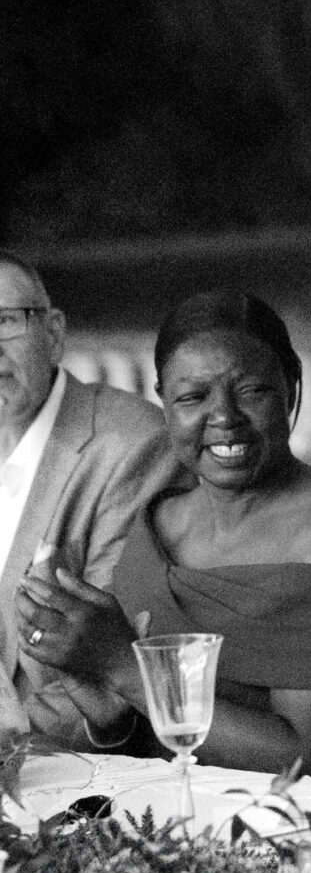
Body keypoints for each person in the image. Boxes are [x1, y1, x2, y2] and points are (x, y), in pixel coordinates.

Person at [18, 291, 311, 775]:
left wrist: (124, 668)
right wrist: (102, 706)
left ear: (292, 388)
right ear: (165, 402)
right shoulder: (158, 521)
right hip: (156, 807)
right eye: (192, 397)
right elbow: (141, 729)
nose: (223, 417)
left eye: (251, 391)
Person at [0, 255, 170, 747]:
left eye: (5, 321)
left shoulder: (131, 446)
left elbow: (105, 681)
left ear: (53, 333)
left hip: (60, 769)